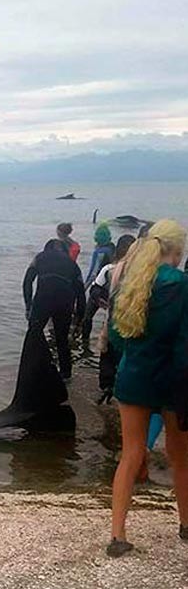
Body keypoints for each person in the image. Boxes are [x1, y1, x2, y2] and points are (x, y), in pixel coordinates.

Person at [106, 219, 188, 557]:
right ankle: (185, 525)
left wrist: (131, 362)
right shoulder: (182, 285)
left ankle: (117, 536)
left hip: (134, 375)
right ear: (178, 250)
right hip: (171, 379)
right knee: (180, 456)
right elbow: (184, 344)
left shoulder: (132, 280)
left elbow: (115, 336)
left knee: (131, 454)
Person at [22, 239, 86, 380]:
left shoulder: (39, 257)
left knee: (34, 335)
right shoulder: (73, 264)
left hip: (43, 299)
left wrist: (28, 306)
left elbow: (27, 281)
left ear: (46, 249)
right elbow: (81, 293)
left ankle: (31, 369)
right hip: (65, 302)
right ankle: (66, 374)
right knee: (62, 339)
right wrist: (79, 320)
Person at [83, 233, 134, 350]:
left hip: (116, 299)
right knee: (87, 318)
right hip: (100, 294)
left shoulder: (135, 272)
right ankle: (85, 342)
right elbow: (95, 287)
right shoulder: (109, 268)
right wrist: (99, 300)